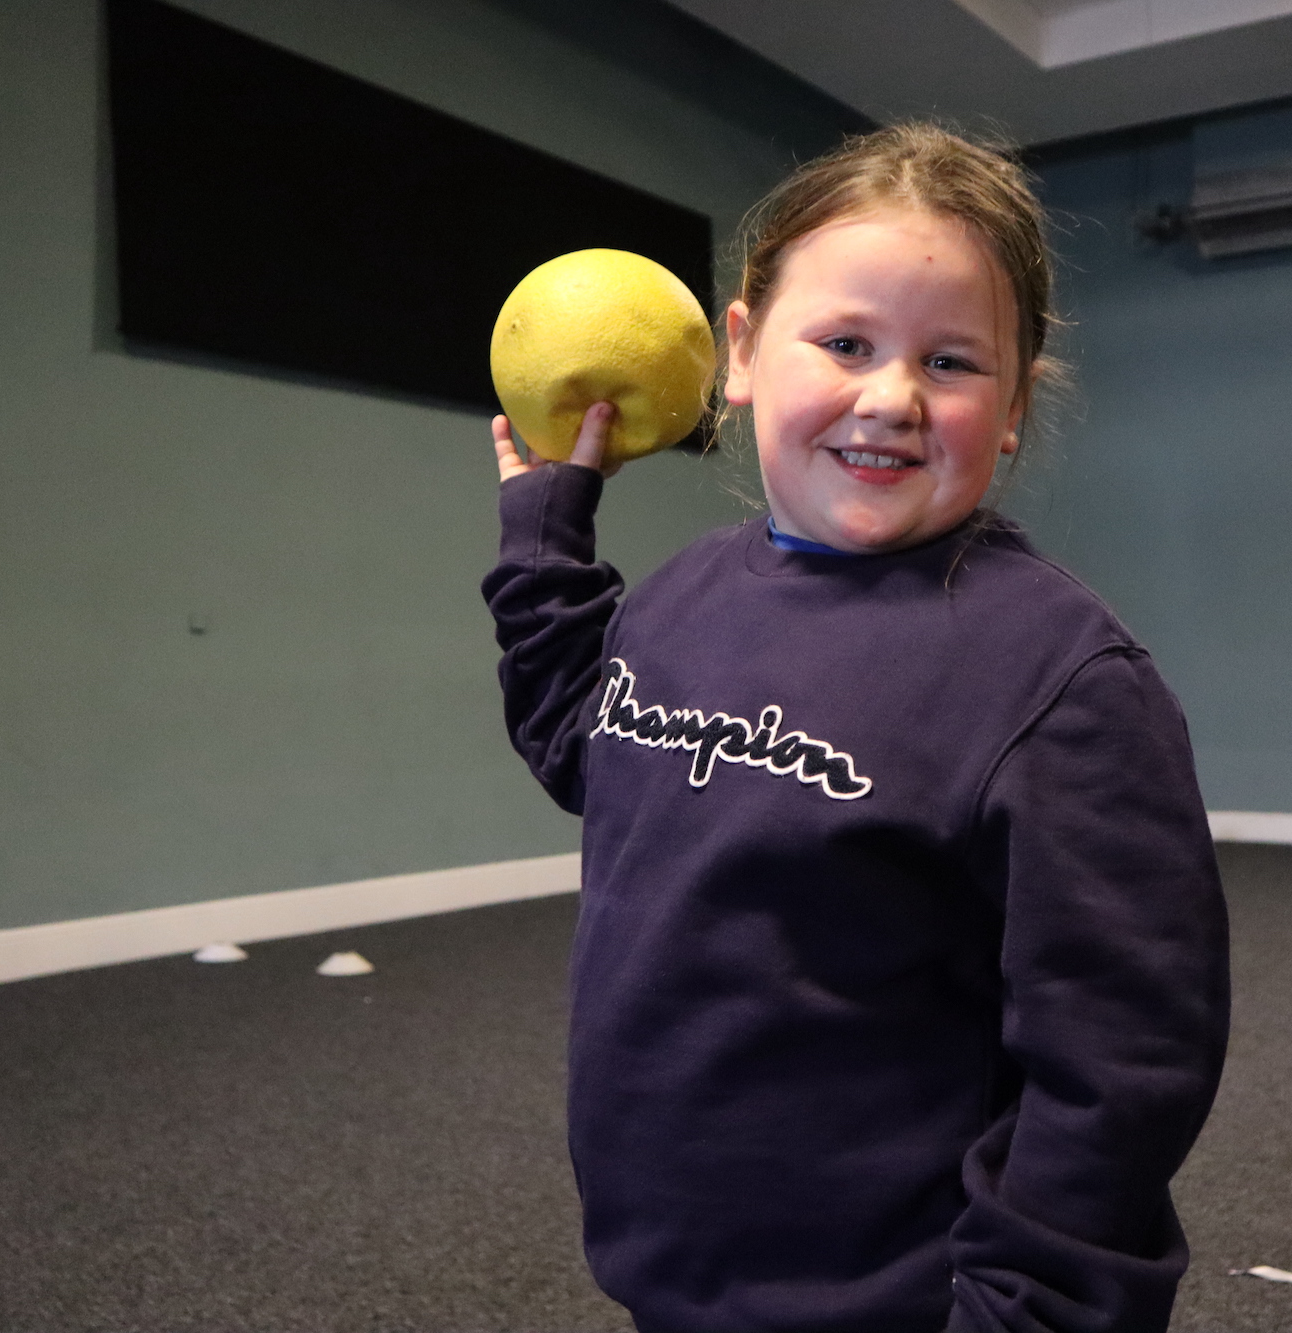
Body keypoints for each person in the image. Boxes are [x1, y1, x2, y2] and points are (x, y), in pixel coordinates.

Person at [480, 124, 1229, 1333]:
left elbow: (1118, 1065)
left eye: (950, 361)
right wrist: (546, 541)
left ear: (1015, 408)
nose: (889, 396)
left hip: (894, 1295)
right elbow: (587, 754)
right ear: (738, 355)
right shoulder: (678, 599)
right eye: (843, 343)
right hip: (671, 1257)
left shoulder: (1059, 681)